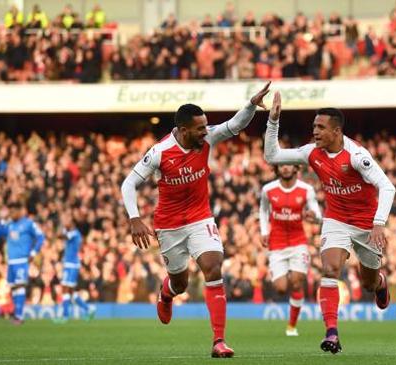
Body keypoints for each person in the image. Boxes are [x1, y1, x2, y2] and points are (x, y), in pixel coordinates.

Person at [120, 82, 271, 358]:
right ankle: (166, 294)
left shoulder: (207, 138)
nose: (206, 131)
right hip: (169, 225)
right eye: (200, 128)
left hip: (201, 218)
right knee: (180, 284)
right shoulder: (160, 152)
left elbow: (233, 125)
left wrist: (251, 104)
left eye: (206, 127)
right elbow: (129, 184)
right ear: (184, 130)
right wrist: (134, 219)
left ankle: (219, 341)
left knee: (213, 268)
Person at [264, 92, 396, 354]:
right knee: (329, 269)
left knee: (368, 283)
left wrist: (379, 223)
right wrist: (273, 121)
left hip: (366, 225)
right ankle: (332, 333)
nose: (315, 131)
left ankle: (380, 282)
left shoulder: (357, 155)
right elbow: (272, 156)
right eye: (314, 126)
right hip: (335, 220)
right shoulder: (312, 153)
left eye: (320, 127)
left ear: (336, 131)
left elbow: (387, 186)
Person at [259, 164, 322, 336]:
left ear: (296, 168)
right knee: (280, 288)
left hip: (298, 242)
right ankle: (287, 276)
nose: (285, 168)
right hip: (276, 243)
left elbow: (316, 211)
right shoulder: (268, 189)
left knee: (297, 282)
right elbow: (263, 211)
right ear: (277, 169)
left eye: (288, 165)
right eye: (281, 165)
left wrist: (314, 216)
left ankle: (292, 326)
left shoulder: (306, 189)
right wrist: (264, 232)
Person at [0, 201, 44, 325]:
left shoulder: (28, 224)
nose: (11, 214)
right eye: (9, 211)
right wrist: (2, 220)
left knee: (20, 286)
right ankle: (16, 313)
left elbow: (40, 237)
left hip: (22, 260)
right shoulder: (9, 224)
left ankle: (19, 316)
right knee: (14, 287)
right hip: (11, 261)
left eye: (13, 211)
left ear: (20, 211)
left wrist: (33, 253)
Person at [54, 215, 95, 323]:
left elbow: (61, 236)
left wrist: (61, 226)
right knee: (71, 292)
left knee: (65, 289)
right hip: (69, 264)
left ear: (72, 223)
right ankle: (88, 309)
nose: (65, 222)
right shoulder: (71, 233)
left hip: (71, 265)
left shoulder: (75, 234)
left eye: (67, 220)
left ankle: (65, 316)